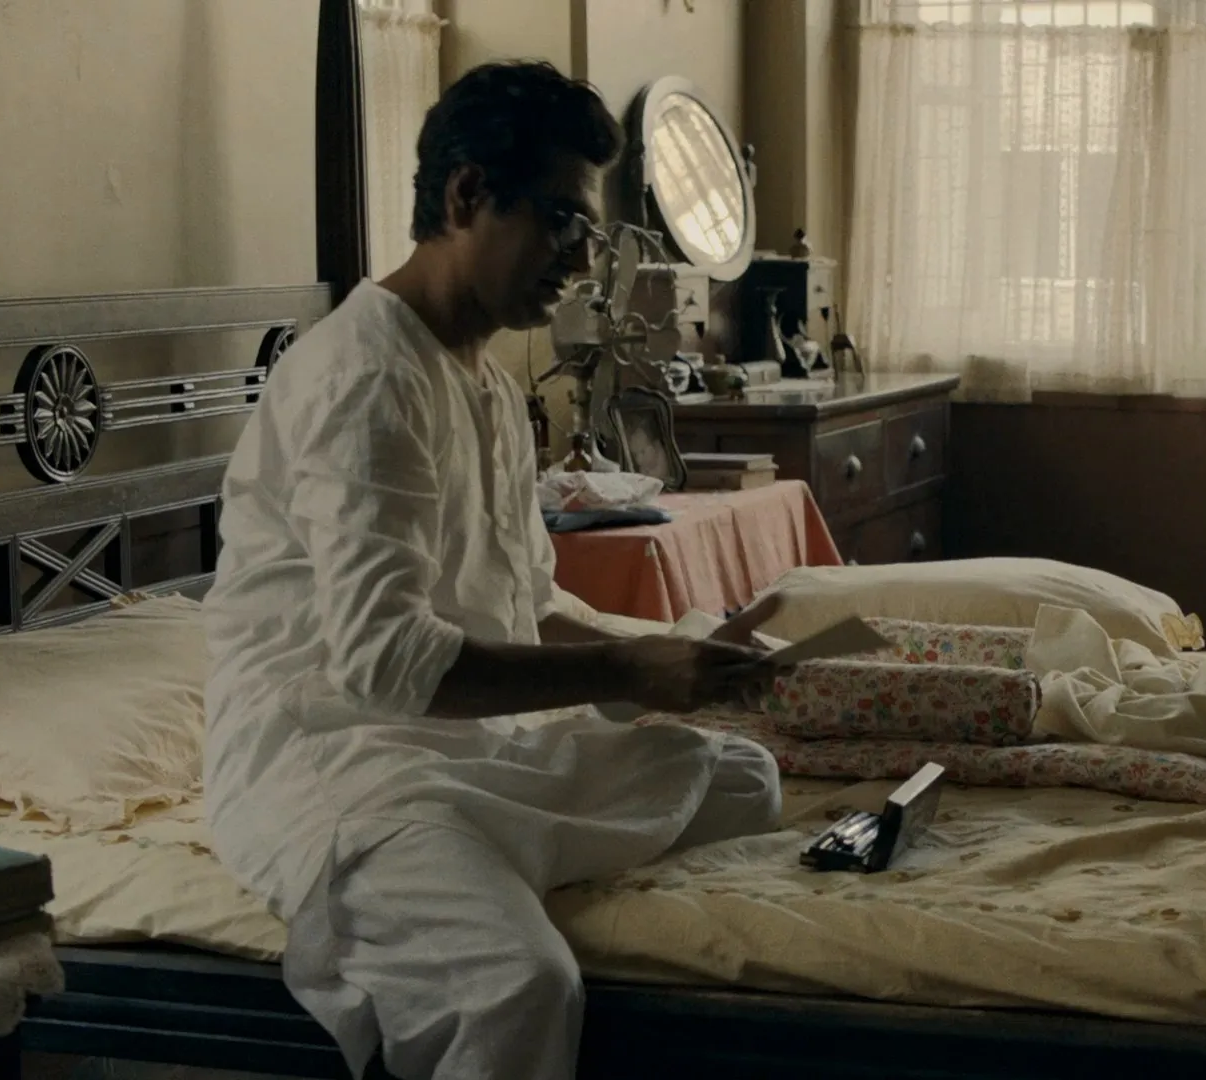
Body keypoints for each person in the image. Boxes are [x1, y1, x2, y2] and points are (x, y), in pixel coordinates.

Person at [202, 61, 786, 1080]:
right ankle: (463, 890)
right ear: (468, 195)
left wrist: (665, 659)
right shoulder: (365, 379)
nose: (582, 259)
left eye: (589, 230)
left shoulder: (480, 377)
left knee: (744, 777)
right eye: (562, 221)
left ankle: (496, 861)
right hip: (343, 759)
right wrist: (626, 672)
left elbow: (522, 604)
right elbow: (388, 665)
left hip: (464, 741)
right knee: (518, 984)